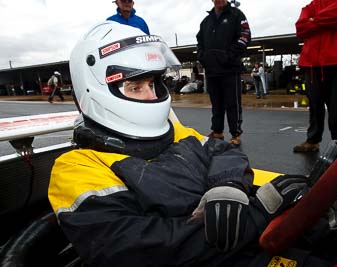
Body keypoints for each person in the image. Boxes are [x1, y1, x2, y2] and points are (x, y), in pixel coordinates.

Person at [48, 22, 311, 267]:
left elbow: (223, 150)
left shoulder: (174, 132)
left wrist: (228, 185)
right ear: (94, 92)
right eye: (135, 87)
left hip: (243, 245)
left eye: (153, 83)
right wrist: (257, 213)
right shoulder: (76, 168)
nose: (152, 96)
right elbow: (138, 249)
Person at [293, 0, 337, 153]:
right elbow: (300, 28)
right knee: (315, 104)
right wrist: (325, 20)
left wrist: (313, 20)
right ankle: (313, 141)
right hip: (312, 63)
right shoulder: (312, 5)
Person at [196, 0, 251, 146]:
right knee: (216, 103)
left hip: (230, 68)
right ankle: (217, 131)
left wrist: (230, 56)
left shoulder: (236, 15)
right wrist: (202, 57)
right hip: (212, 70)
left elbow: (245, 36)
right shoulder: (206, 21)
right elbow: (199, 42)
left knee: (233, 103)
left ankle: (235, 134)